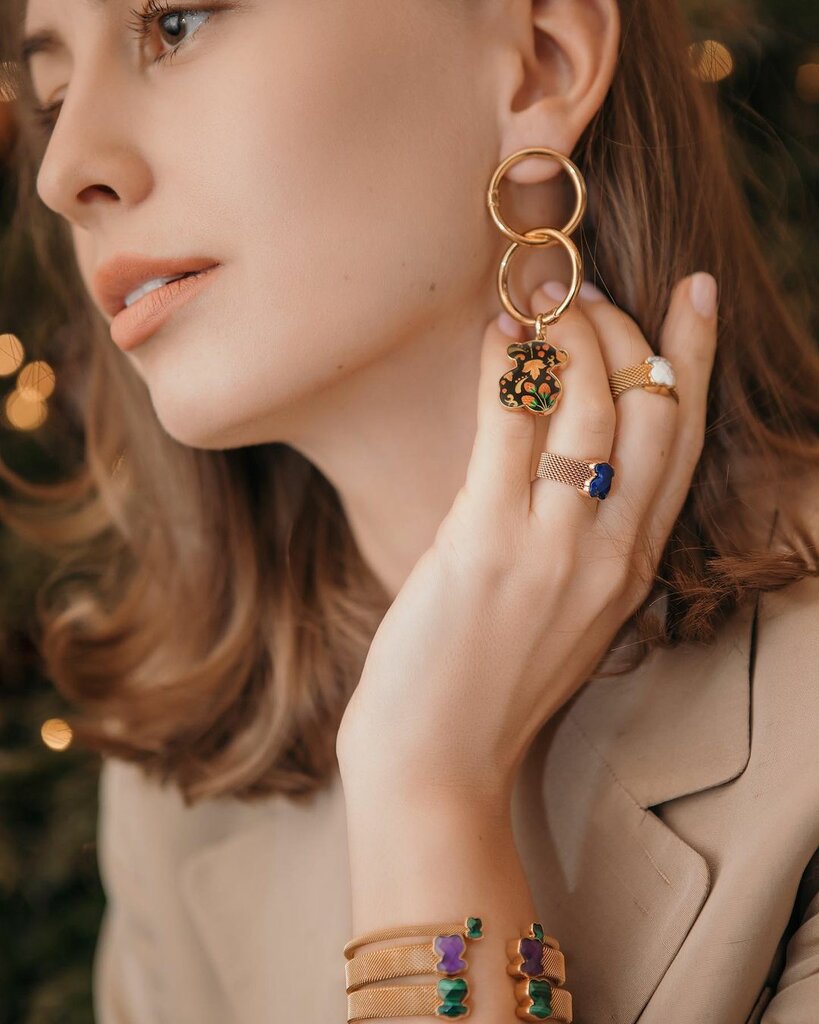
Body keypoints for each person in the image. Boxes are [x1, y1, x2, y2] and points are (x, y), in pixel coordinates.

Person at [3, 0, 818, 1021]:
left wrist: (425, 788)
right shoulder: (182, 791)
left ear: (539, 61)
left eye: (175, 24)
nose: (62, 169)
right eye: (54, 98)